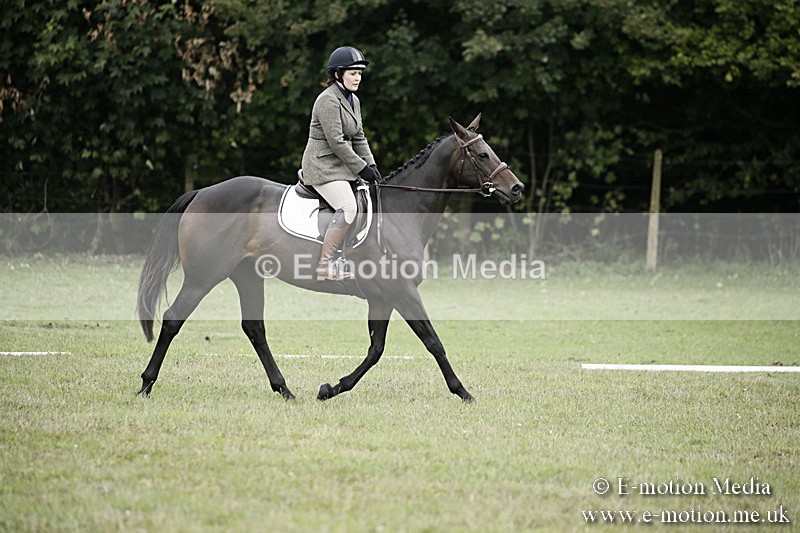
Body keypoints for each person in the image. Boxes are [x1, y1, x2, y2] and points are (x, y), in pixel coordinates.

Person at [301, 46, 381, 281]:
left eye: (359, 73)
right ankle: (325, 264)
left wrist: (372, 166)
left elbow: (359, 137)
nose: (358, 77)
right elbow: (336, 142)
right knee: (348, 207)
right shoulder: (327, 100)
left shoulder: (353, 100)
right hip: (322, 166)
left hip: (342, 166)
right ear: (337, 74)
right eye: (352, 73)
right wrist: (361, 168)